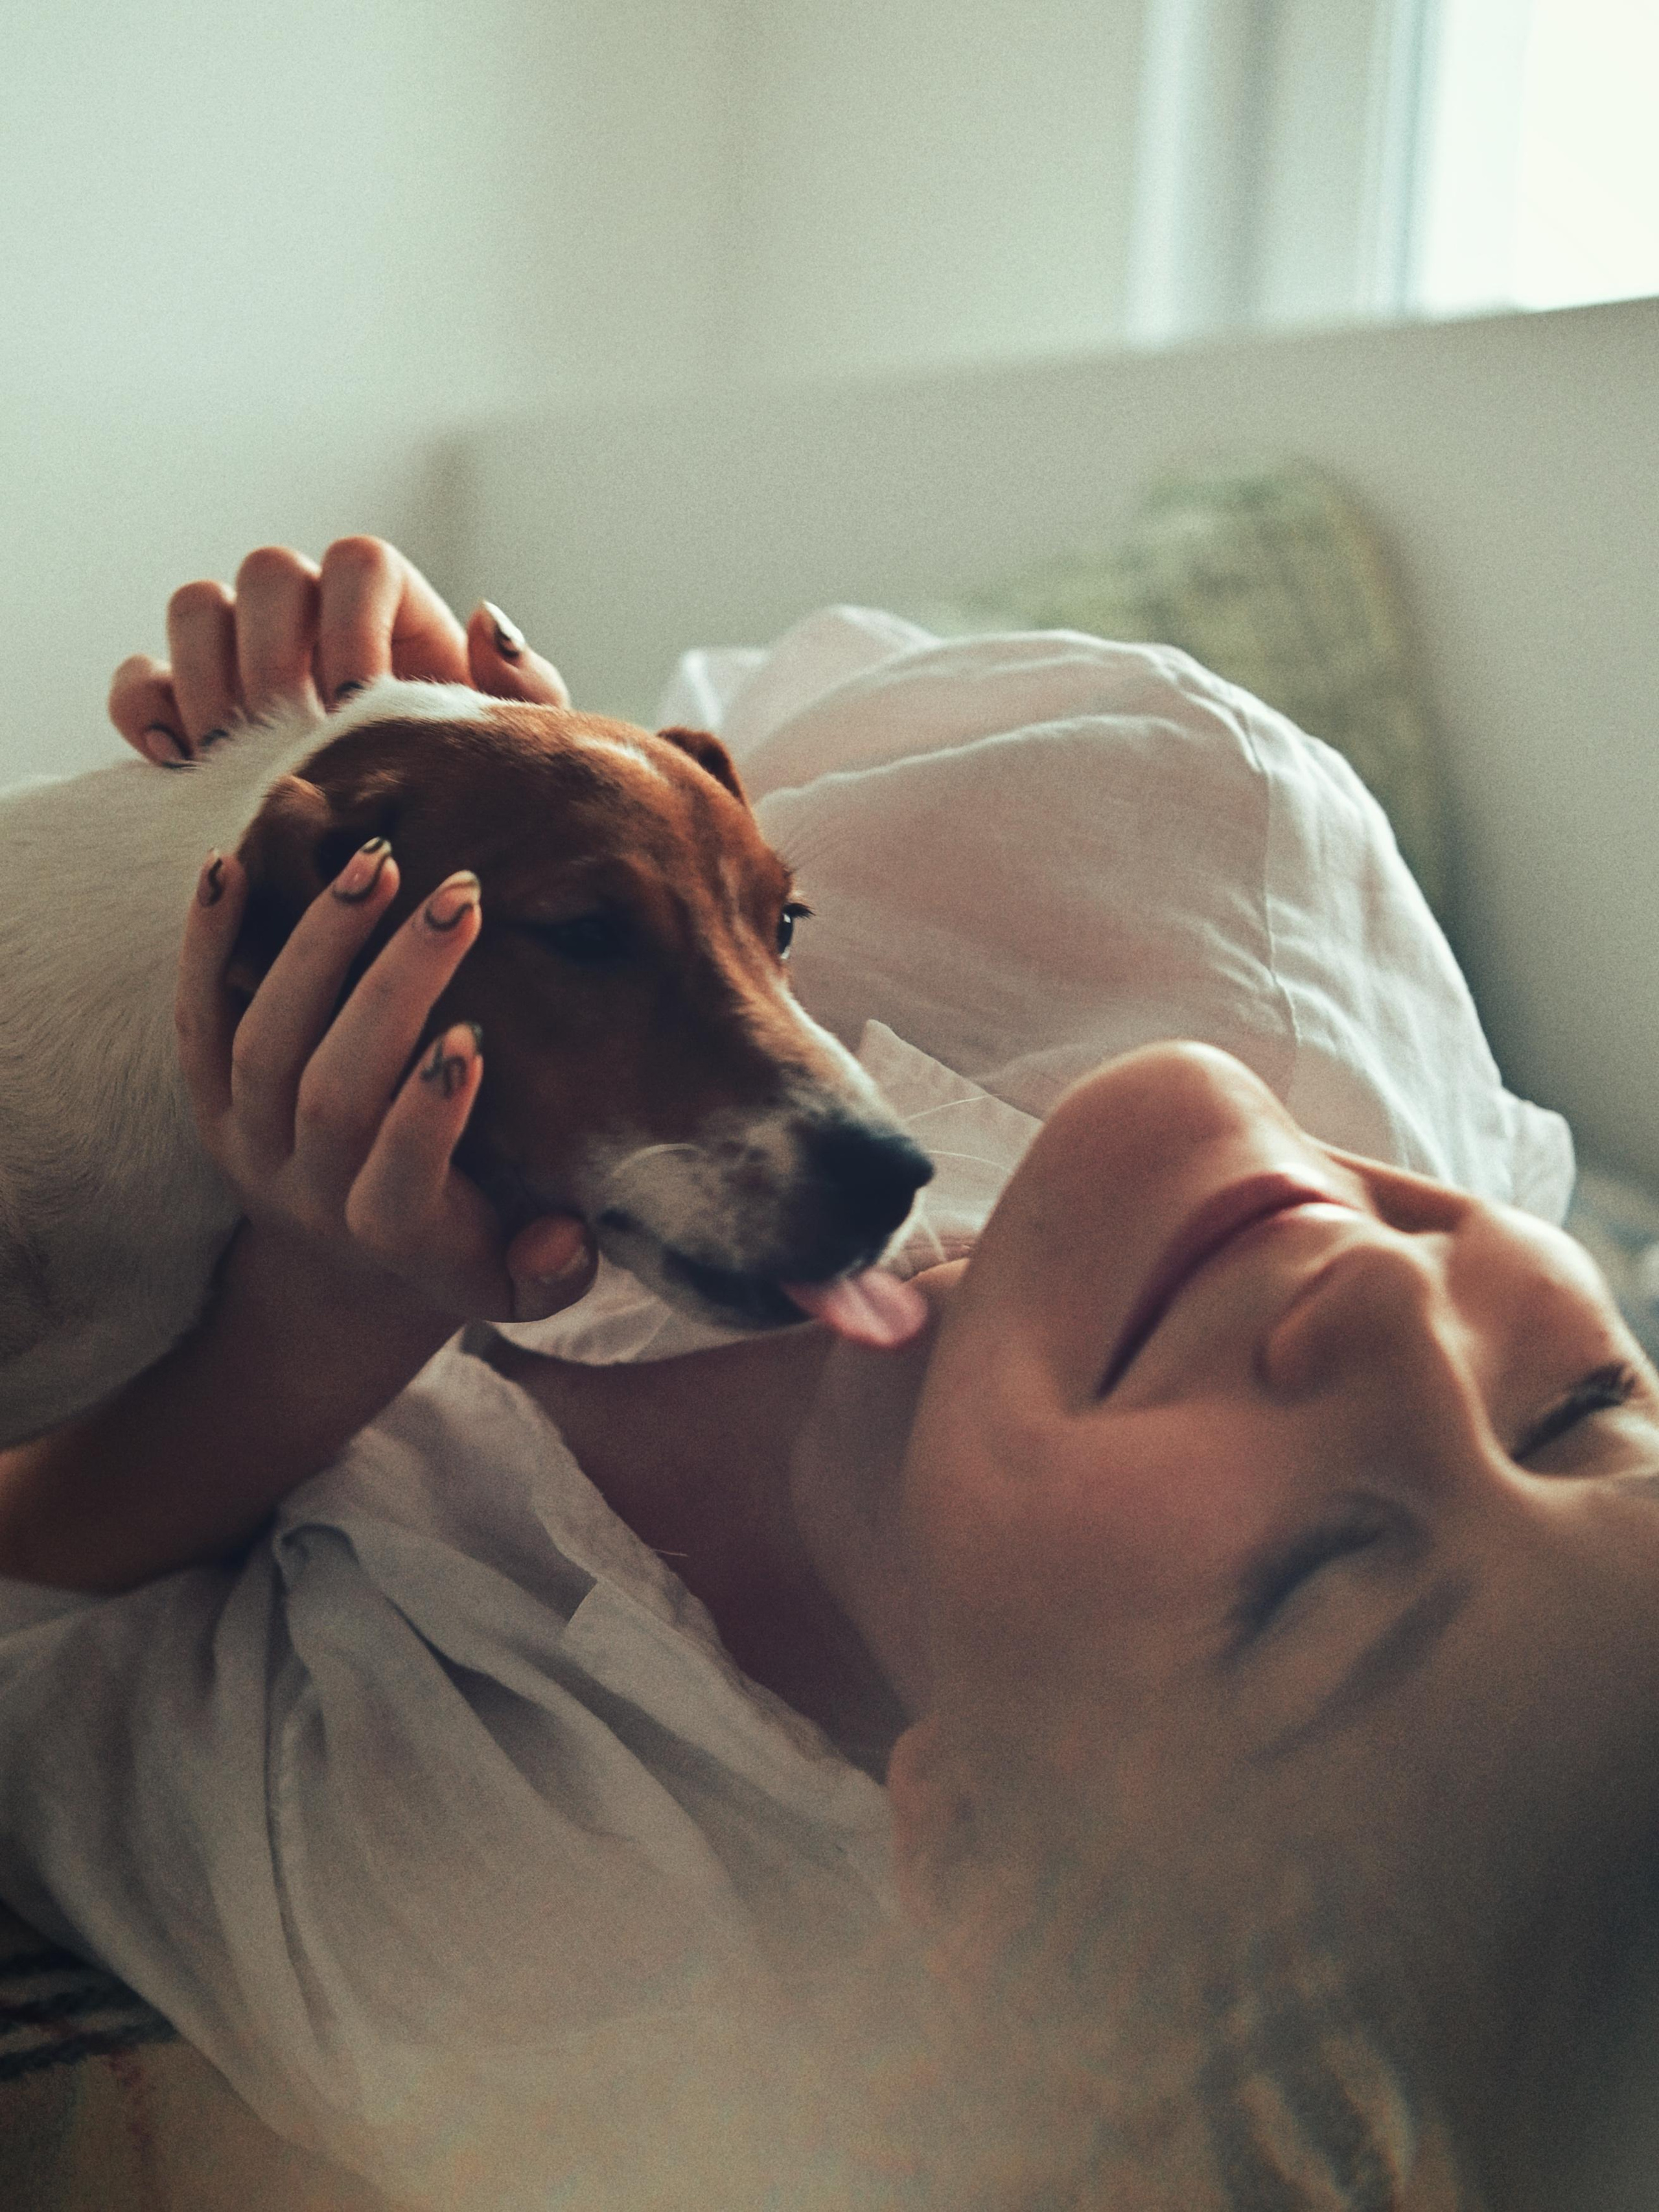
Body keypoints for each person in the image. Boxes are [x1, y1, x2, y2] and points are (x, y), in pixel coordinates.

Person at [2, 538, 1658, 2211]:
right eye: (1587, 1407)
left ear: (988, 1863)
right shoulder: (1193, 838)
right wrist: (486, 750)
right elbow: (686, 817)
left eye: (1319, 1575)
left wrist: (320, 1319)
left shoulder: (524, 1937)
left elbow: (24, 1628)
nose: (1392, 1313)